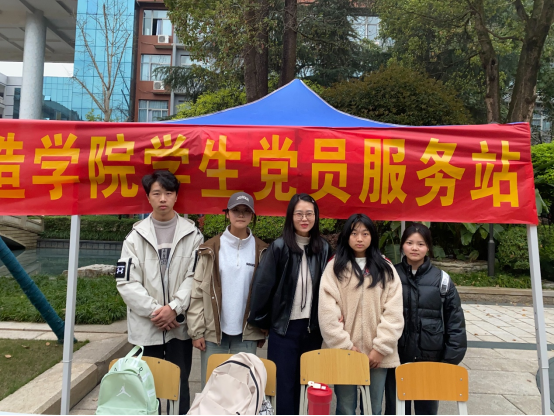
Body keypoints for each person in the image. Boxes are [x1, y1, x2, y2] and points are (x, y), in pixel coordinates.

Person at [116, 170, 204, 415]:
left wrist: (174, 308)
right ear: (148, 197)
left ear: (176, 196)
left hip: (179, 326)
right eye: (157, 193)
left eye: (168, 193)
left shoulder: (193, 235)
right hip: (147, 327)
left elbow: (196, 277)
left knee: (179, 384)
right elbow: (126, 282)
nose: (163, 198)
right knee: (145, 387)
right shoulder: (134, 237)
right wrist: (157, 312)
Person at [248, 194, 332, 415]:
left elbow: (331, 287)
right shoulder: (279, 247)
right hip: (284, 329)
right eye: (299, 214)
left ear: (316, 217)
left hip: (312, 329)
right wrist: (262, 321)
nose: (304, 218)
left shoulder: (323, 248)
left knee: (309, 385)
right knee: (283, 387)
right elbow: (263, 286)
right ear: (290, 216)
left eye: (309, 214)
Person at [319, 214, 404, 415]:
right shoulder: (334, 267)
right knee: (345, 408)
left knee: (373, 408)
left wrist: (380, 348)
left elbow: (394, 312)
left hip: (378, 356)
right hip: (344, 353)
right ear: (346, 236)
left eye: (365, 234)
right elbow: (327, 311)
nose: (359, 238)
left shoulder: (386, 268)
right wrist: (345, 346)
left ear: (372, 236)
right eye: (354, 233)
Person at [384, 224, 467, 416]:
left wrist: (449, 360)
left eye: (420, 244)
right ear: (402, 245)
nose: (415, 248)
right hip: (396, 357)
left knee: (427, 410)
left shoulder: (442, 280)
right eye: (409, 243)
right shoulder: (390, 275)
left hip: (430, 359)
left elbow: (455, 322)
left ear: (428, 247)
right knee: (396, 409)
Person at [187, 192, 268, 388]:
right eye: (236, 210)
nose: (241, 215)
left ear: (252, 216)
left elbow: (266, 294)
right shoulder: (210, 248)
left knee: (244, 388)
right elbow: (198, 291)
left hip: (246, 334)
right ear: (227, 214)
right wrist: (196, 331)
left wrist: (262, 328)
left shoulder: (262, 250)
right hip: (213, 333)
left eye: (246, 211)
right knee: (212, 388)